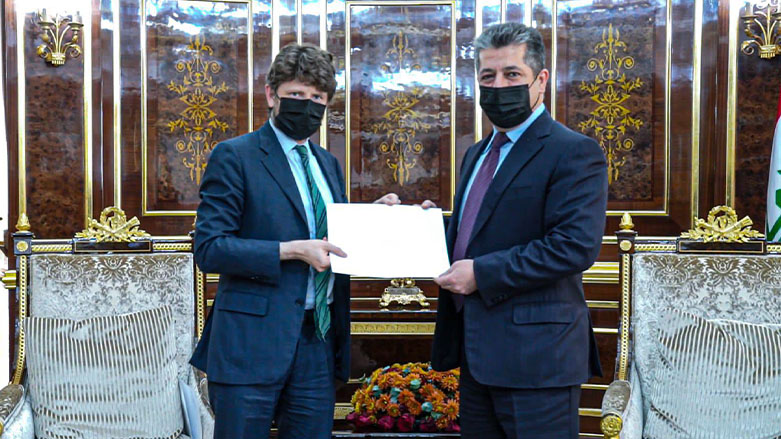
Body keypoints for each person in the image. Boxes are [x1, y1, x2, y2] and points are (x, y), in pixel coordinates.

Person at [190, 43, 399, 439]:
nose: (308, 105)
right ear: (271, 95)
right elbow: (210, 248)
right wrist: (292, 251)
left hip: (317, 340)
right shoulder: (235, 156)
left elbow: (330, 234)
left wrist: (374, 216)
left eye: (317, 98)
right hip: (250, 342)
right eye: (297, 95)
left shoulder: (327, 163)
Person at [427, 23, 608, 438]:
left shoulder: (574, 151)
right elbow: (477, 230)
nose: (498, 86)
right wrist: (417, 224)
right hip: (476, 354)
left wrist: (481, 274)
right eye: (488, 77)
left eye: (512, 75)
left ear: (540, 80)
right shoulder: (477, 153)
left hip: (537, 360)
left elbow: (573, 247)